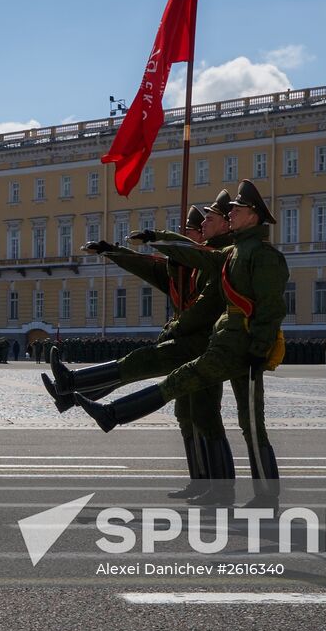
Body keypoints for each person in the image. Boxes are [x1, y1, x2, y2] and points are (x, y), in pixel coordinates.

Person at [75, 179, 287, 509]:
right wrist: (158, 239)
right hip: (227, 341)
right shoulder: (232, 252)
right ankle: (111, 413)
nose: (231, 214)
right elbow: (197, 255)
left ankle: (266, 496)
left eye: (237, 210)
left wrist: (259, 349)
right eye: (229, 211)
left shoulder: (264, 256)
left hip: (243, 346)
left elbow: (272, 307)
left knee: (249, 422)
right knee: (199, 397)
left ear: (254, 216)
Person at [45, 192, 235, 501]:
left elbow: (204, 309)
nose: (187, 237)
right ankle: (203, 483)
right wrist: (112, 251)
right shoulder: (185, 267)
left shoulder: (218, 261)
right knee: (188, 413)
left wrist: (174, 328)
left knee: (197, 408)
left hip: (203, 344)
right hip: (189, 342)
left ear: (202, 234)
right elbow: (147, 266)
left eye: (192, 231)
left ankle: (73, 387)